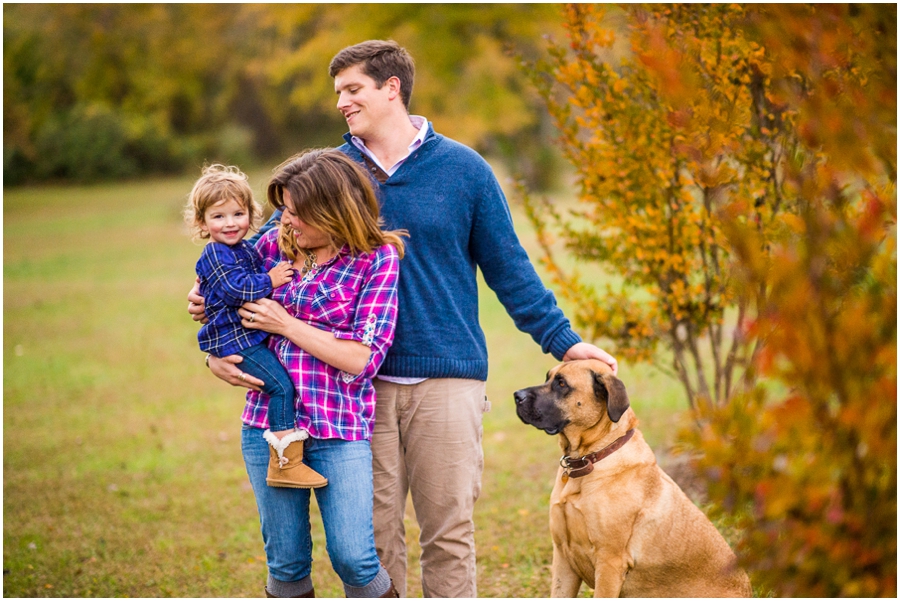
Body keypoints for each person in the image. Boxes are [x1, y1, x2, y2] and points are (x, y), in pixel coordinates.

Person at [190, 40, 617, 598]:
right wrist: (208, 319)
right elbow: (257, 250)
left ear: (391, 87)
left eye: (352, 89)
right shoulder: (329, 173)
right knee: (373, 539)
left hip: (447, 374)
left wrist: (563, 341)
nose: (341, 102)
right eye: (337, 93)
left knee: (449, 531)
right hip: (357, 385)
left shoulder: (464, 169)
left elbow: (509, 268)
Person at [205, 149, 407, 597]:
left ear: (332, 212)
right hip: (268, 428)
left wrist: (286, 325)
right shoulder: (271, 246)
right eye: (286, 210)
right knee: (287, 561)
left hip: (339, 426)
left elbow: (362, 358)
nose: (287, 220)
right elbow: (215, 293)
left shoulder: (376, 259)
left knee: (355, 559)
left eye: (298, 213)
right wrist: (210, 352)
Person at [184, 164, 327, 490]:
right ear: (202, 223)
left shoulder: (244, 248)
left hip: (246, 336)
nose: (230, 223)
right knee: (281, 386)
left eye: (238, 213)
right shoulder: (216, 255)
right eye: (218, 217)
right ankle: (285, 463)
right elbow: (236, 289)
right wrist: (271, 279)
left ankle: (287, 458)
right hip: (235, 340)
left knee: (280, 383)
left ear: (252, 213)